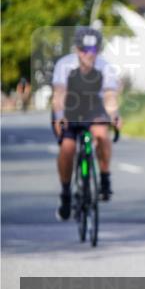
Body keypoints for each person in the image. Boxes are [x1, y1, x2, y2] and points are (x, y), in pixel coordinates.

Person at [51, 27, 121, 220]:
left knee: (101, 134)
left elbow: (109, 95)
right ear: (76, 49)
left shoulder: (104, 66)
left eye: (93, 51)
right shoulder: (64, 65)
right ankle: (65, 193)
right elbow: (59, 94)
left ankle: (105, 179)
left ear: (98, 50)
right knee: (67, 148)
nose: (88, 55)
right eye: (84, 50)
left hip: (93, 106)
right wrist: (59, 116)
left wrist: (114, 115)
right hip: (70, 107)